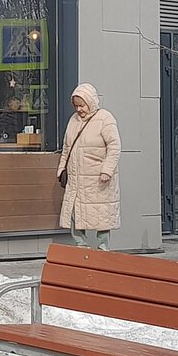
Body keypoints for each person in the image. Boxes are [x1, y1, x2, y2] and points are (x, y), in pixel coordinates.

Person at [57, 83, 121, 250]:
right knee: (75, 213)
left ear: (91, 102)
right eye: (76, 105)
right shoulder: (73, 120)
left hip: (98, 179)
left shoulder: (105, 118)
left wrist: (107, 170)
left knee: (102, 214)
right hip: (76, 179)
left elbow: (114, 147)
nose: (79, 109)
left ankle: (102, 248)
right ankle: (81, 246)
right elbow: (67, 148)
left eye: (82, 105)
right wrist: (61, 169)